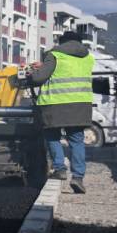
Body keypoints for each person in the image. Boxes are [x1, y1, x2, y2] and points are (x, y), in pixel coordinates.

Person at [26, 30, 94, 194]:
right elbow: (69, 70)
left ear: (62, 42)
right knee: (76, 140)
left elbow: (38, 78)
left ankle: (60, 169)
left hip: (55, 104)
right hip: (80, 105)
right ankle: (78, 177)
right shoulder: (88, 57)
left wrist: (32, 73)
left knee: (52, 136)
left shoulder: (55, 54)